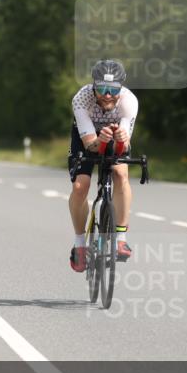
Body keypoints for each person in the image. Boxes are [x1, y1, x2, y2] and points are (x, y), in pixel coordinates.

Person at [68, 59, 138, 272]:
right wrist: (101, 139)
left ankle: (121, 238)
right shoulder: (82, 99)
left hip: (115, 137)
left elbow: (123, 146)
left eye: (113, 89)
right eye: (102, 89)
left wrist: (117, 139)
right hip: (87, 138)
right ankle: (80, 245)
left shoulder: (129, 101)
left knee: (120, 174)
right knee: (81, 186)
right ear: (94, 86)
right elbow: (90, 144)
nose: (108, 94)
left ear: (121, 88)